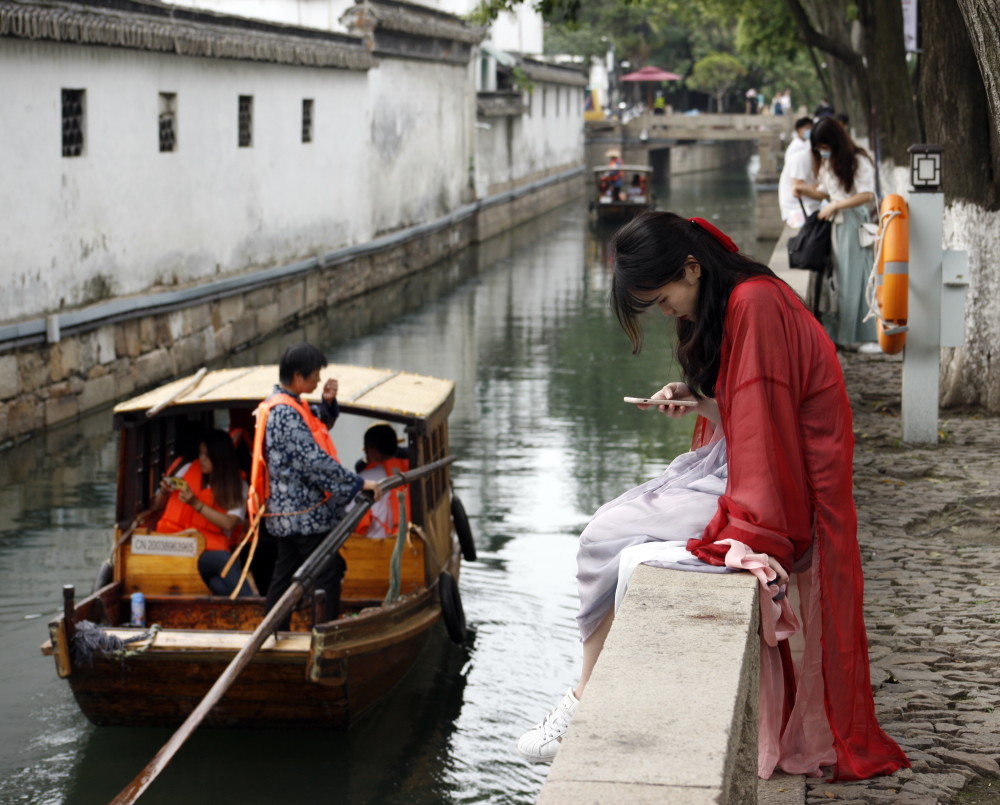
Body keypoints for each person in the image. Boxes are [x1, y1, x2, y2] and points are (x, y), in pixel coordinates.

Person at [516, 213, 910, 784]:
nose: (666, 311)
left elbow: (770, 425)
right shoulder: (745, 299)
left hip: (779, 481)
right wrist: (700, 399)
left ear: (693, 267)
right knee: (610, 530)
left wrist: (752, 526)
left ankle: (581, 701)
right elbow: (756, 410)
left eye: (663, 296)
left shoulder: (754, 303)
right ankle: (583, 698)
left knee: (606, 536)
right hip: (759, 463)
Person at [250, 342, 382, 629]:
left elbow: (316, 428)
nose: (318, 379)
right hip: (302, 515)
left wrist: (328, 402)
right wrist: (359, 483)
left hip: (290, 515)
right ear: (298, 376)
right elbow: (314, 461)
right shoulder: (285, 413)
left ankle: (274, 631)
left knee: (285, 575)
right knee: (327, 572)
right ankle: (322, 633)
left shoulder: (290, 403)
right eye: (315, 376)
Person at [793, 116, 877, 348]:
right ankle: (841, 334)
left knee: (851, 279)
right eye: (818, 148)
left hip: (850, 222)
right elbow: (825, 192)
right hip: (835, 224)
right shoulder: (829, 162)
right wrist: (803, 189)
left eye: (825, 146)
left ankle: (852, 335)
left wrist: (835, 205)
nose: (822, 151)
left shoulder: (857, 160)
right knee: (838, 279)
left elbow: (867, 195)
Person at [139, 428, 253, 597]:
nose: (201, 459)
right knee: (223, 562)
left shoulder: (238, 486)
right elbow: (156, 506)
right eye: (200, 454)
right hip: (172, 544)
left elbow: (229, 523)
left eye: (207, 455)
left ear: (220, 458)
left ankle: (250, 609)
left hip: (204, 551)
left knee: (218, 583)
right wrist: (163, 492)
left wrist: (196, 504)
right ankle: (254, 606)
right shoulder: (186, 470)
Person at [354, 423, 410, 540]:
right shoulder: (411, 470)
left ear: (372, 452)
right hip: (407, 537)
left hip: (374, 546)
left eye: (366, 453)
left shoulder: (363, 480)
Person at [777, 117, 819, 228]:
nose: (809, 131)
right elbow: (797, 183)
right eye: (807, 128)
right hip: (795, 207)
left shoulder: (804, 145)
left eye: (811, 128)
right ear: (799, 130)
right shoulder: (798, 150)